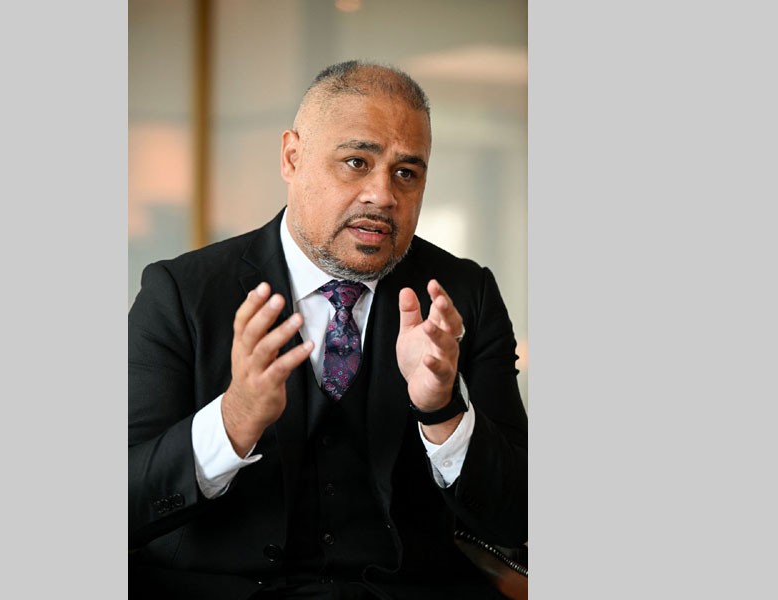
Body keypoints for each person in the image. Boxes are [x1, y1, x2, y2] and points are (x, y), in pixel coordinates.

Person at [128, 60, 527, 599]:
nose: (382, 195)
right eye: (356, 162)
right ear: (292, 156)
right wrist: (233, 420)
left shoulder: (462, 295)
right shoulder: (180, 293)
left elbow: (520, 521)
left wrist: (444, 413)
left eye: (407, 173)